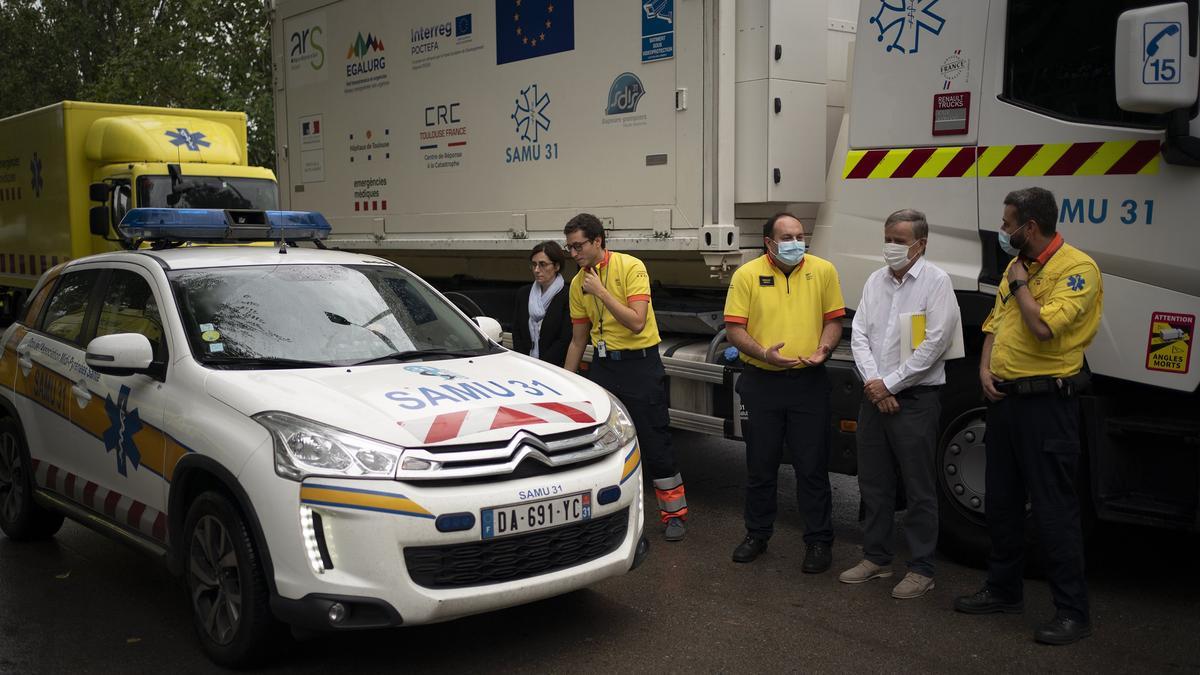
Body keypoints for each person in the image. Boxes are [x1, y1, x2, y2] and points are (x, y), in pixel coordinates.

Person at [954, 187, 1103, 645]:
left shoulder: (1076, 269)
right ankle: (1003, 590)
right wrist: (984, 370)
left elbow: (1041, 327)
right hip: (1005, 404)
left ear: (1030, 227)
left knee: (1054, 510)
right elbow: (994, 325)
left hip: (1046, 407)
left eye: (1007, 223)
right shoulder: (1017, 267)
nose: (1002, 230)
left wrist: (1021, 284)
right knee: (1001, 502)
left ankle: (1072, 612)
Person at [842, 209, 960, 599]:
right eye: (887, 238)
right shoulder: (875, 281)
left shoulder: (936, 282)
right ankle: (876, 557)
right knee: (874, 483)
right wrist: (875, 385)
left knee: (919, 488)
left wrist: (889, 385)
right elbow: (859, 334)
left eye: (899, 240)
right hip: (875, 398)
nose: (890, 246)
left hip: (916, 400)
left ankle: (922, 568)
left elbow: (935, 342)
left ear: (920, 245)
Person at [722, 212, 845, 572]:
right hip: (762, 382)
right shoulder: (747, 275)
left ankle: (819, 541)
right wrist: (764, 353)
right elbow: (734, 329)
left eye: (799, 236)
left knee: (812, 466)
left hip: (809, 382)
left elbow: (833, 320)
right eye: (787, 237)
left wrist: (824, 349)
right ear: (769, 243)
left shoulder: (823, 271)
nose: (795, 243)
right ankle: (757, 535)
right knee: (760, 465)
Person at [562, 213, 688, 541]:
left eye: (578, 246)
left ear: (598, 241)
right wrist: (565, 386)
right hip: (604, 366)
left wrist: (601, 292)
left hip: (640, 365)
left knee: (654, 440)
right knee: (603, 444)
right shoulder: (577, 284)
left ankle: (674, 514)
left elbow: (636, 322)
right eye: (569, 248)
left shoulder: (631, 267)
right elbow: (578, 340)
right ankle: (610, 514)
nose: (573, 254)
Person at [512, 241, 572, 366]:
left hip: (554, 366)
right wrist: (525, 362)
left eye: (543, 264)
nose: (537, 270)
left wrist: (542, 365)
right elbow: (517, 332)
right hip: (525, 365)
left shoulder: (567, 295)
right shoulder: (523, 294)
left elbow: (564, 339)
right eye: (534, 264)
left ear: (556, 266)